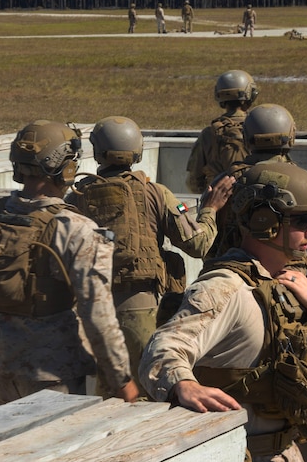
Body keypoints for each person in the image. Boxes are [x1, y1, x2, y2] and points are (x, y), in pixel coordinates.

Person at [141, 161, 307, 462]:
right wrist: (183, 383)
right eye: (304, 221)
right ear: (266, 222)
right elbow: (164, 348)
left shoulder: (285, 282)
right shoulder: (224, 288)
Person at [0, 120, 140, 409]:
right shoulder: (78, 230)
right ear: (64, 167)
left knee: (10, 450)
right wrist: (121, 379)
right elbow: (98, 315)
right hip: (53, 374)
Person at [66, 117, 233, 398]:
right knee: (143, 394)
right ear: (137, 152)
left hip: (87, 314)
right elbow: (199, 243)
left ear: (97, 152)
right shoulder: (156, 193)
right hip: (140, 310)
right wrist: (210, 209)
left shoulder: (77, 197)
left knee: (105, 397)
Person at [207, 104, 307, 287]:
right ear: (291, 136)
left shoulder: (223, 182)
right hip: (290, 280)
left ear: (247, 137)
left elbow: (207, 240)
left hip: (231, 276)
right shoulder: (306, 183)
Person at [186, 70, 260, 194]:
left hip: (218, 204)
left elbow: (193, 181)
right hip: (253, 202)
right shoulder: (260, 129)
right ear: (251, 95)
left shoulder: (209, 134)